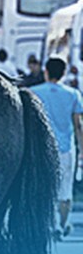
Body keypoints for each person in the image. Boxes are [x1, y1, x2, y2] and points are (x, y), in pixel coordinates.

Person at [29, 57, 83, 239]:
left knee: (45, 187)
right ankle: (62, 224)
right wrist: (82, 149)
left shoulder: (33, 93)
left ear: (46, 72)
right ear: (63, 73)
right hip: (66, 148)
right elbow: (78, 125)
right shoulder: (73, 94)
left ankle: (51, 224)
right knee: (65, 189)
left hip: (42, 148)